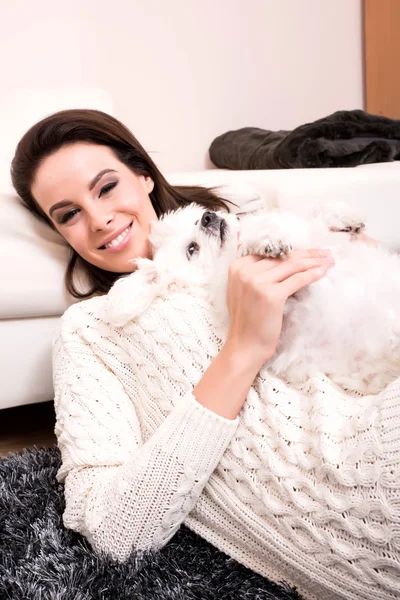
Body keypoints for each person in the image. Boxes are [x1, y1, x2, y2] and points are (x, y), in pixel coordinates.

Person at [11, 109, 398, 600]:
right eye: (68, 214)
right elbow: (112, 530)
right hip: (352, 489)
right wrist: (243, 350)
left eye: (106, 188)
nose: (99, 218)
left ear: (144, 176)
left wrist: (353, 260)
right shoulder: (94, 329)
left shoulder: (246, 235)